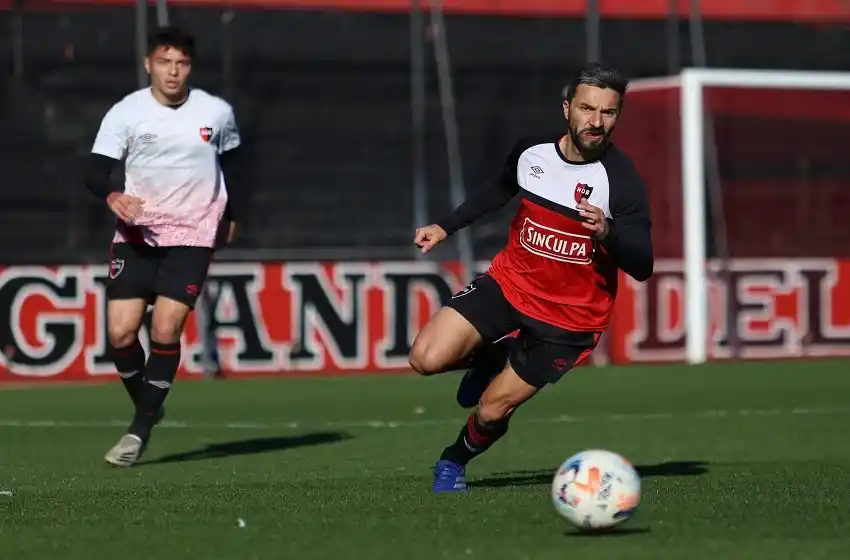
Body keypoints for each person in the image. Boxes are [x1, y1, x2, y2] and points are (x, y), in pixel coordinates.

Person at [409, 63, 653, 493]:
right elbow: (498, 189)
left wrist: (608, 233)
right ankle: (491, 356)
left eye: (608, 113)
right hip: (510, 284)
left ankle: (453, 460)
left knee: (491, 411)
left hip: (568, 321)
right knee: (426, 358)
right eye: (587, 108)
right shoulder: (533, 152)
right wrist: (445, 226)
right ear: (567, 108)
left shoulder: (623, 182)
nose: (596, 122)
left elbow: (643, 264)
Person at [85, 26, 242, 467]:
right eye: (165, 62)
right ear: (148, 64)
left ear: (190, 67)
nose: (173, 72)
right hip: (137, 235)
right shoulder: (126, 113)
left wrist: (230, 216)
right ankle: (150, 402)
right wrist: (113, 196)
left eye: (182, 63)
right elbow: (95, 170)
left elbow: (233, 164)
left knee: (166, 328)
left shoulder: (216, 112)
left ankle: (139, 430)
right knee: (119, 333)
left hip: (192, 235)